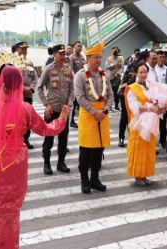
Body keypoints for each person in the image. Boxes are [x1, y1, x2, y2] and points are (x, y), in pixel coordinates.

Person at [0, 65, 69, 249]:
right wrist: (61, 119)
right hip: (16, 164)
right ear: (18, 86)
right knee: (11, 211)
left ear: (2, 85)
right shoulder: (25, 109)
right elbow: (46, 129)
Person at [74, 42, 113, 194]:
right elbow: (80, 97)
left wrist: (106, 110)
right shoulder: (80, 75)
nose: (99, 60)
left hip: (103, 115)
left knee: (99, 150)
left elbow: (110, 95)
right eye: (96, 57)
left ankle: (95, 179)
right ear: (88, 59)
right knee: (85, 151)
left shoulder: (104, 75)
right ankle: (84, 179)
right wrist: (93, 111)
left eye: (100, 57)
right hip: (88, 116)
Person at [125, 63, 166, 186]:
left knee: (148, 148)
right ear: (136, 73)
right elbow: (134, 107)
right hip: (138, 123)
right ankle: (138, 176)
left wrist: (161, 108)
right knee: (138, 149)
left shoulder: (151, 86)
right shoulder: (132, 88)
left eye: (145, 72)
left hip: (151, 123)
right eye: (141, 72)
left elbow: (158, 101)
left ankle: (145, 174)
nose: (143, 74)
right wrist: (149, 107)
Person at [37, 44, 74, 175]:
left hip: (64, 111)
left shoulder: (68, 70)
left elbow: (72, 90)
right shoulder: (48, 69)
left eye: (64, 54)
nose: (63, 56)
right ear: (54, 54)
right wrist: (46, 104)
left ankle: (61, 162)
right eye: (60, 54)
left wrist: (69, 105)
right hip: (51, 110)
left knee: (63, 138)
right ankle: (46, 163)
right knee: (49, 138)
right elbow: (39, 87)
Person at [118, 51, 149, 147]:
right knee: (125, 116)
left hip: (136, 92)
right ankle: (122, 137)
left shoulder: (142, 66)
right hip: (126, 92)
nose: (143, 73)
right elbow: (128, 81)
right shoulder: (134, 65)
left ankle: (137, 136)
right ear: (146, 58)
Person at [15, 41, 39, 150]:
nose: (24, 51)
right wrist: (22, 89)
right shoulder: (12, 63)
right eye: (22, 49)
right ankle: (17, 140)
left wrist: (32, 88)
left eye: (25, 49)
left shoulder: (29, 63)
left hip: (28, 96)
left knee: (27, 118)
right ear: (17, 50)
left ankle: (26, 139)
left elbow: (35, 78)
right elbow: (10, 81)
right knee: (17, 119)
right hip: (16, 96)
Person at [68, 41, 85, 128]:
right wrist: (77, 79)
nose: (80, 48)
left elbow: (85, 68)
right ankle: (71, 121)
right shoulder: (71, 57)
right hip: (74, 82)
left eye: (81, 46)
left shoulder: (82, 57)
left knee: (81, 101)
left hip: (82, 82)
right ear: (74, 47)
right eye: (78, 46)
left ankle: (81, 120)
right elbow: (70, 70)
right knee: (74, 103)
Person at [155, 50, 167, 148]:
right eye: (160, 57)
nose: (162, 59)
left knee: (163, 121)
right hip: (154, 99)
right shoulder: (152, 70)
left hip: (164, 99)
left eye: (163, 57)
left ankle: (163, 141)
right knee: (155, 121)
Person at [105, 47, 124, 111]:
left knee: (116, 92)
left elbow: (122, 68)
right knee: (109, 91)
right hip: (110, 77)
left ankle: (116, 104)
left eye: (116, 50)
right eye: (114, 50)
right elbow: (107, 67)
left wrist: (118, 73)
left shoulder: (120, 58)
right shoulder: (108, 58)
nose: (115, 52)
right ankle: (108, 105)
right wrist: (114, 64)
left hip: (117, 77)